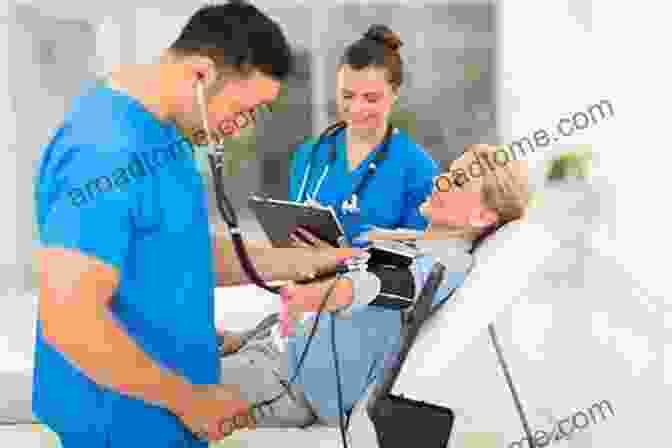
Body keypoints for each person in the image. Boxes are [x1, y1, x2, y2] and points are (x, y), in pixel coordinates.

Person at [32, 3, 360, 447]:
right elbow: (71, 317)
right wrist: (190, 399)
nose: (241, 128)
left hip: (164, 423)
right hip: (118, 427)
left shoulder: (166, 137)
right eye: (245, 110)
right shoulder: (105, 149)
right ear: (202, 75)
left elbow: (180, 252)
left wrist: (301, 261)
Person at [216, 143, 530, 428]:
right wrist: (243, 338)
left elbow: (379, 286)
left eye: (458, 181)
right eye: (449, 172)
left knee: (175, 393)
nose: (440, 180)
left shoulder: (446, 263)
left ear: (481, 216)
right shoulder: (412, 244)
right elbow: (332, 315)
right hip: (275, 354)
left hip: (291, 380)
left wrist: (314, 294)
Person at [287, 24, 440, 247]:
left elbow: (418, 256)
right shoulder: (310, 154)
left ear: (395, 93)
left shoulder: (418, 169)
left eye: (370, 98)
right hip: (303, 278)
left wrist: (343, 252)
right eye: (347, 95)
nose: (356, 109)